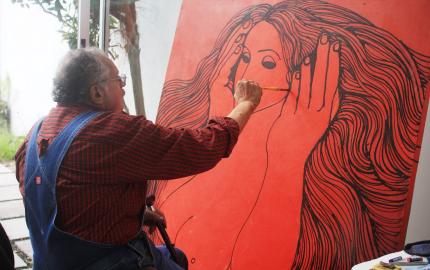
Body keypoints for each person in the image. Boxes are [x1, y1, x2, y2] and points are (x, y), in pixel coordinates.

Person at [153, 1, 430, 269]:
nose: (245, 78)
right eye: (245, 57)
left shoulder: (328, 205)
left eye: (269, 63)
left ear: (308, 80)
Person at [14, 47, 262, 270]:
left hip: (53, 263)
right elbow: (202, 147)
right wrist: (246, 103)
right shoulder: (110, 131)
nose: (123, 86)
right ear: (97, 93)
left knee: (177, 256)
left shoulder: (36, 132)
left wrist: (137, 213)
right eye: (118, 79)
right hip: (107, 262)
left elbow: (63, 198)